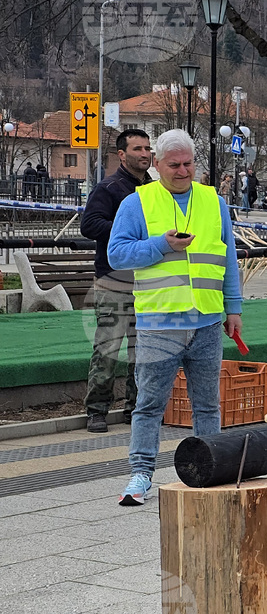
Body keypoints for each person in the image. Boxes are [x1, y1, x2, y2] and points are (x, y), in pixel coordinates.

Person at [108, 129, 243, 506]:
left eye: (188, 164)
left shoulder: (212, 201)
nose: (183, 171)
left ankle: (210, 468)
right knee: (150, 404)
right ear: (156, 164)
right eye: (175, 165)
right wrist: (161, 244)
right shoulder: (138, 202)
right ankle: (140, 475)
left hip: (207, 321)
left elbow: (227, 259)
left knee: (207, 404)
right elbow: (117, 254)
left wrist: (234, 308)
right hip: (159, 323)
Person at [80, 129, 153, 433]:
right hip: (113, 281)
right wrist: (127, 229)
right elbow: (90, 225)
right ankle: (97, 410)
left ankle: (135, 409)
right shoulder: (108, 188)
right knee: (108, 348)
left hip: (148, 281)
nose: (145, 154)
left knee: (144, 349)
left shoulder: (154, 189)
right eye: (138, 148)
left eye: (148, 148)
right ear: (122, 154)